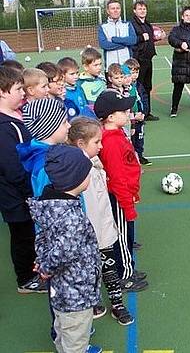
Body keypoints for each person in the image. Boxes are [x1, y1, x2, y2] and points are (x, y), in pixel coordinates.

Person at [27, 144, 102, 353]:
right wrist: (46, 267)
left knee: (63, 332)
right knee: (75, 337)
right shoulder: (71, 217)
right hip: (75, 294)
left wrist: (43, 261)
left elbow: (43, 238)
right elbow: (64, 252)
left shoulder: (51, 205)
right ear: (76, 179)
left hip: (61, 292)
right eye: (87, 172)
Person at [68, 117, 135, 325]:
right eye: (96, 142)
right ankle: (94, 300)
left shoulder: (93, 162)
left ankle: (117, 303)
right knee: (90, 268)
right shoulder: (74, 170)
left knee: (109, 265)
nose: (101, 145)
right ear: (80, 144)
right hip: (88, 230)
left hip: (104, 226)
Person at [94, 90, 148, 292]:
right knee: (122, 236)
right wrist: (128, 205)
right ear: (110, 117)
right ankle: (124, 275)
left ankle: (127, 267)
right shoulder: (111, 141)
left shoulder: (116, 134)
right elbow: (117, 178)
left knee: (126, 234)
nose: (128, 114)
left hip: (126, 194)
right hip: (119, 197)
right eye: (124, 111)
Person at [0, 66, 46, 294]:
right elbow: (12, 168)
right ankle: (25, 279)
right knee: (22, 235)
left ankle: (33, 269)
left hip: (23, 192)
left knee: (29, 233)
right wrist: (31, 190)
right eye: (18, 89)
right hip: (15, 197)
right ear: (2, 92)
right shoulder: (4, 127)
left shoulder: (15, 117)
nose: (22, 93)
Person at [130, 0, 160, 121]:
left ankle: (147, 113)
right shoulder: (132, 24)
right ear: (134, 11)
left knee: (147, 87)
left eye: (144, 9)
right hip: (139, 60)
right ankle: (139, 113)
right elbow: (132, 40)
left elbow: (149, 40)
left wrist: (156, 38)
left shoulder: (147, 24)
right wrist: (141, 38)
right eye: (140, 9)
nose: (142, 11)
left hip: (148, 59)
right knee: (138, 87)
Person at [124, 58, 151, 166]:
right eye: (132, 73)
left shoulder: (139, 86)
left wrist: (144, 113)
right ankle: (131, 159)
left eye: (136, 72)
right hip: (130, 119)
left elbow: (144, 99)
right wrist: (133, 116)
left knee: (140, 138)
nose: (134, 75)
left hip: (140, 118)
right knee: (130, 139)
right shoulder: (125, 88)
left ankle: (139, 156)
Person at [98, 0, 137, 70]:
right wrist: (124, 44)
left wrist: (114, 39)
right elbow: (104, 44)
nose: (115, 10)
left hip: (126, 66)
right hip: (111, 67)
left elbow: (133, 40)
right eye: (113, 8)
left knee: (128, 80)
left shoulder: (127, 24)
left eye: (118, 8)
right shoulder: (103, 27)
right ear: (108, 11)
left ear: (120, 10)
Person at [58, 57, 96, 121]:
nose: (76, 76)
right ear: (62, 75)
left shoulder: (79, 88)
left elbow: (86, 105)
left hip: (86, 121)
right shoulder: (62, 92)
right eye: (72, 74)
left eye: (77, 73)